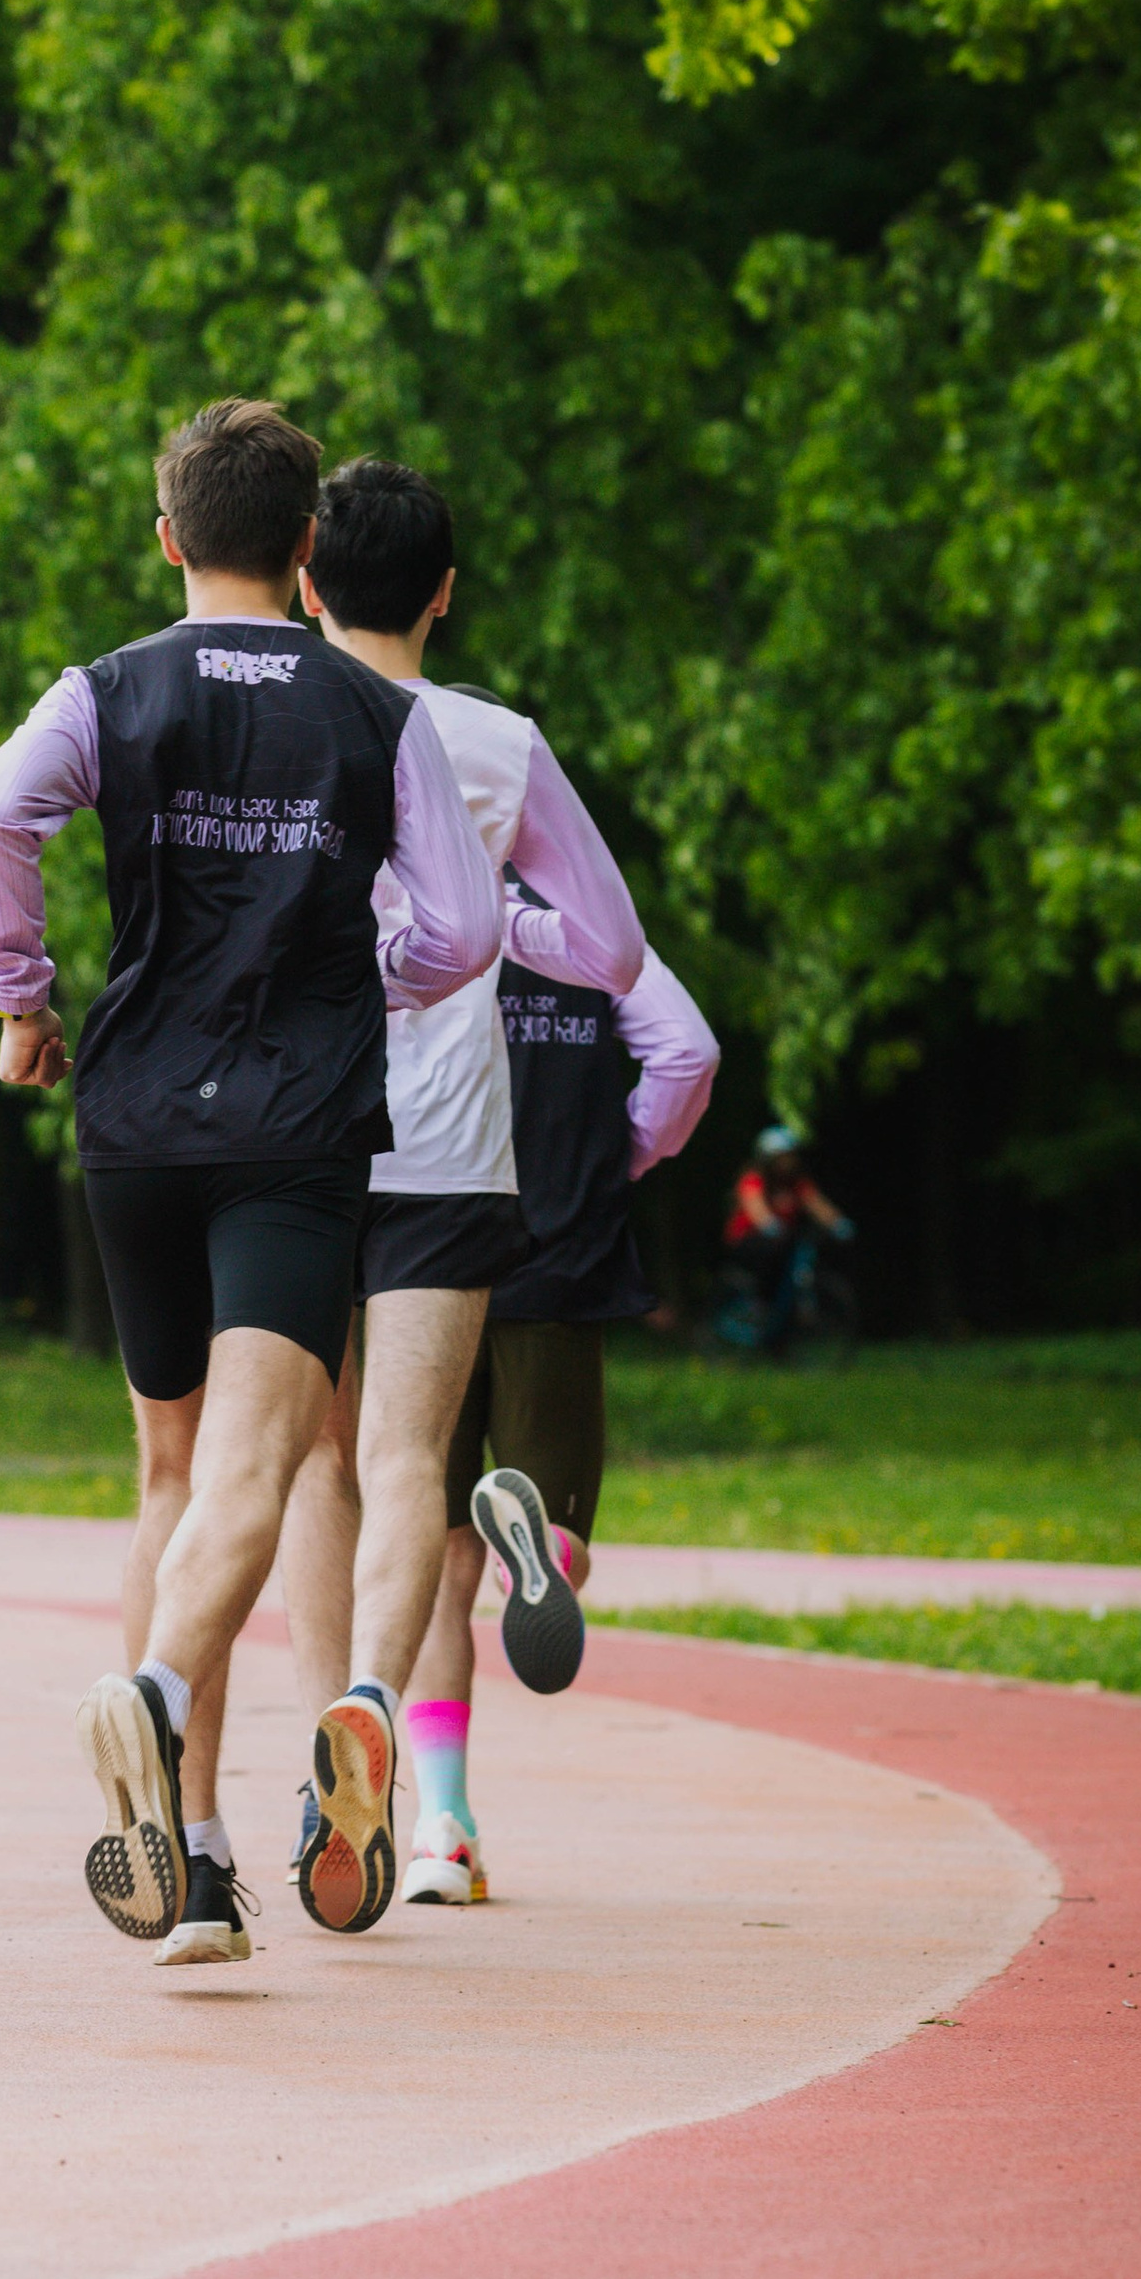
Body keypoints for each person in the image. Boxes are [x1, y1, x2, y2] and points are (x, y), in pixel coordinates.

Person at [0, 397, 500, 1972]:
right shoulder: (377, 714)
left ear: (168, 533)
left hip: (134, 1116)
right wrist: (370, 960)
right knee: (260, 1471)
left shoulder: (104, 689)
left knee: (169, 1474)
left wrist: (24, 992)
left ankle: (190, 1864)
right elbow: (460, 935)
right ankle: (156, 1692)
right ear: (311, 548)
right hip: (295, 1127)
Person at [269, 459, 647, 1910]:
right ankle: (402, 1748)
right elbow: (610, 954)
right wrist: (494, 937)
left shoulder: (273, 716)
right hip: (450, 1144)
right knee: (409, 1479)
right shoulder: (497, 744)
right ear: (444, 592)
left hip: (296, 1131)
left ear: (307, 579)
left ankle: (328, 1771)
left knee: (315, 1459)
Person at [396, 914, 719, 1900]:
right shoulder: (589, 932)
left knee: (429, 1560)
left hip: (421, 1253)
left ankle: (440, 1832)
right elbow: (686, 1051)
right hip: (557, 1249)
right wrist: (616, 1159)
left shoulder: (402, 915)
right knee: (552, 1520)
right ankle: (536, 1554)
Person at [724, 1125, 853, 1352]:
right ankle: (758, 1305)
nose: (788, 1162)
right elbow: (755, 1207)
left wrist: (837, 1223)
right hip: (750, 1240)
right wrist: (769, 1224)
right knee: (771, 1255)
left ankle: (780, 1332)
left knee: (793, 1268)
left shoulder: (797, 1183)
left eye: (791, 1156)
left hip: (781, 1240)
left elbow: (816, 1204)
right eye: (783, 1157)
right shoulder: (754, 1179)